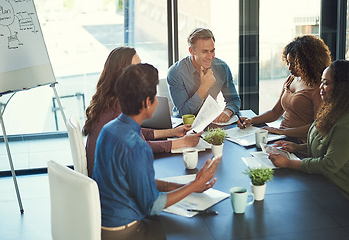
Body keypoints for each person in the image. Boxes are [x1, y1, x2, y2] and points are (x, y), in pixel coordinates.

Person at [93, 63, 220, 240]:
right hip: (126, 231)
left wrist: (181, 187)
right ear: (146, 102)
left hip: (102, 225)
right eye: (155, 96)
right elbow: (152, 206)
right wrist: (194, 186)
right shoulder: (138, 147)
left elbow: (128, 178)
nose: (158, 100)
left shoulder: (108, 130)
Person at [269, 60, 349, 213]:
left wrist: (289, 164)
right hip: (330, 179)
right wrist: (296, 147)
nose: (321, 88)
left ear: (343, 87)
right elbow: (325, 145)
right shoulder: (333, 109)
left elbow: (329, 164)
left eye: (326, 83)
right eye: (322, 82)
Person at [83, 47, 202, 177]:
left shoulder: (110, 98)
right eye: (137, 67)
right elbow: (140, 146)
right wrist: (182, 142)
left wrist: (172, 132)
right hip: (111, 182)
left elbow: (136, 131)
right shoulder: (118, 104)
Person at [238, 35, 332, 143]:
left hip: (300, 143)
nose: (289, 68)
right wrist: (251, 120)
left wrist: (282, 132)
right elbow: (275, 112)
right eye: (288, 62)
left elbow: (316, 128)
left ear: (308, 63)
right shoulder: (291, 79)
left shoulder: (319, 89)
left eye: (294, 64)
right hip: (281, 137)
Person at [167, 28, 241, 122]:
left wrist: (228, 111)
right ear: (192, 51)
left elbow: (234, 99)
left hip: (212, 121)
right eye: (204, 51)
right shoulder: (176, 72)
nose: (210, 57)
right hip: (184, 126)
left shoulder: (222, 67)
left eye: (212, 51)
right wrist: (204, 87)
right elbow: (185, 113)